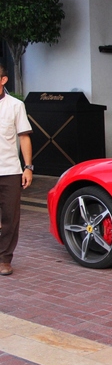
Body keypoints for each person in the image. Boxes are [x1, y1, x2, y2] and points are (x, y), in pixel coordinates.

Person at [0, 64, 33, 276]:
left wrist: (28, 167)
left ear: (3, 80)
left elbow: (24, 137)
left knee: (10, 217)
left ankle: (4, 259)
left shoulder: (15, 106)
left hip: (10, 170)